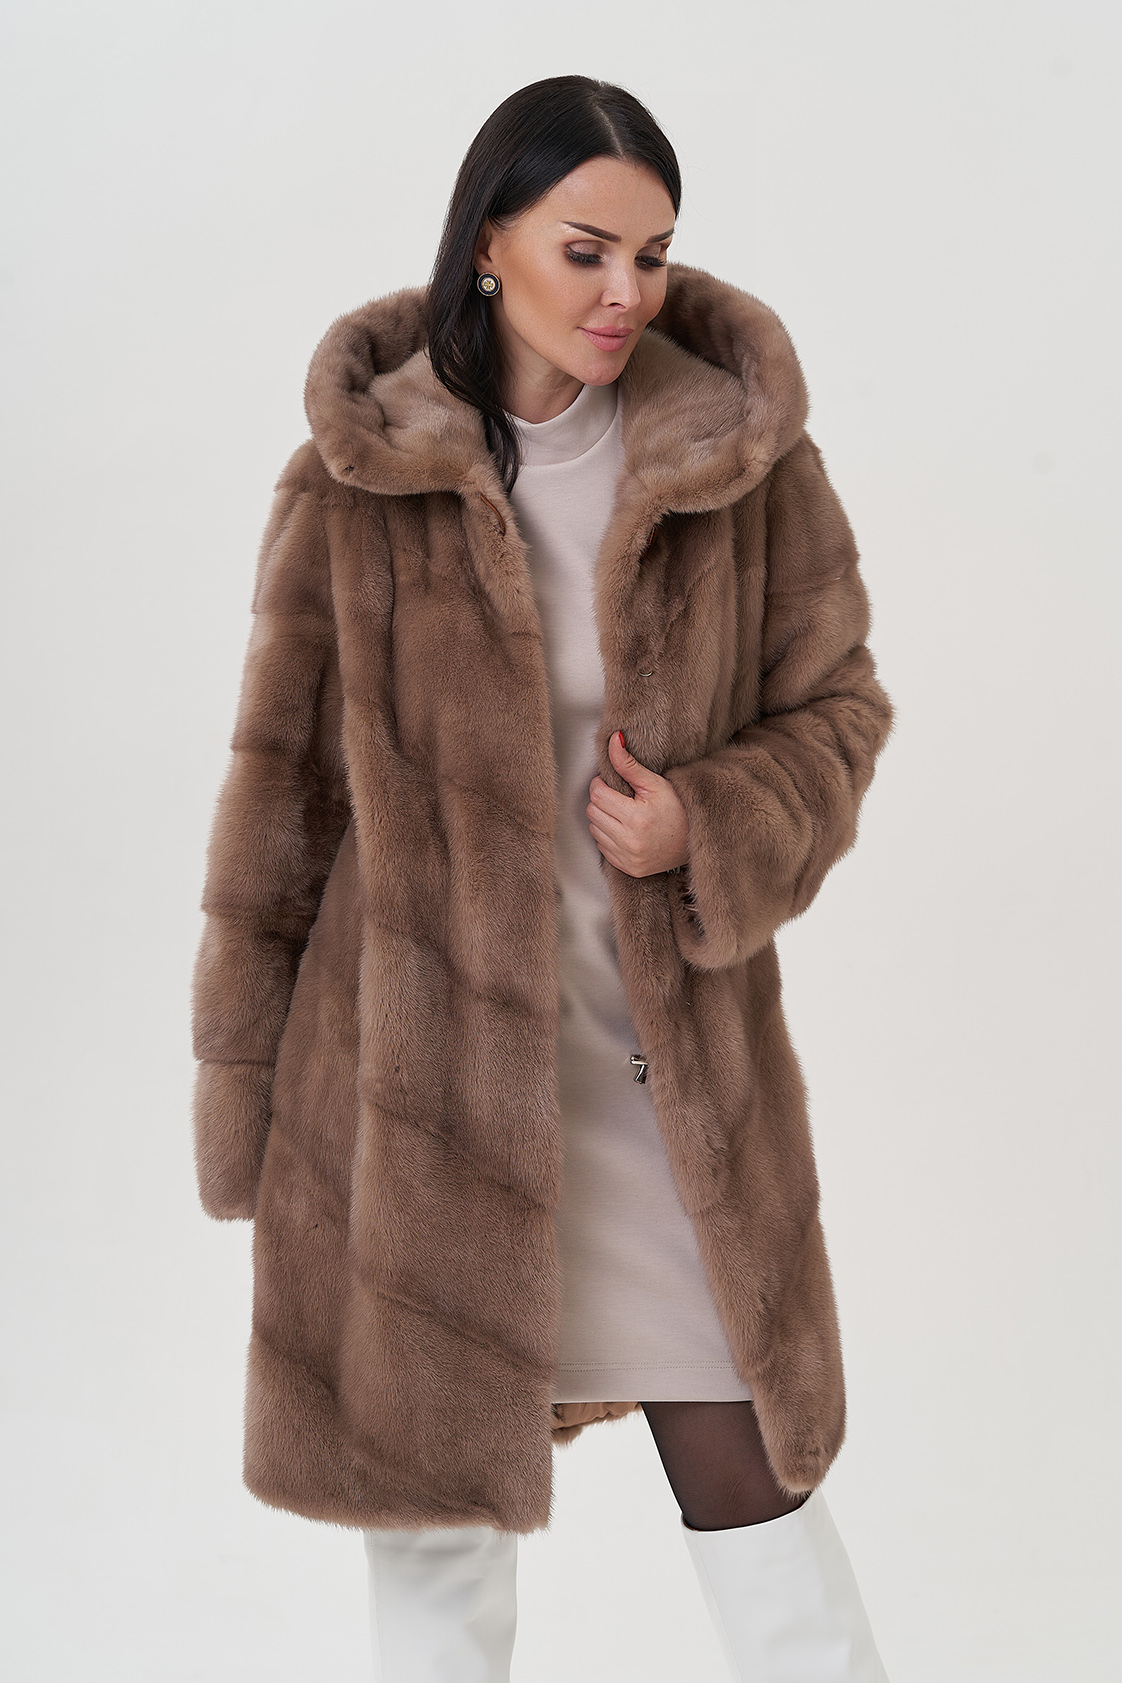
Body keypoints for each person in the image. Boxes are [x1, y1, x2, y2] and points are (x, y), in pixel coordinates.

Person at [191, 74, 896, 1682]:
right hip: (415, 1097)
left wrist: (706, 822)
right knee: (435, 1559)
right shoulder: (356, 480)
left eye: (651, 254)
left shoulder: (734, 461)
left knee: (758, 1505)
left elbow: (840, 709)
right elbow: (279, 812)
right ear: (488, 242)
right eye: (585, 251)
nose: (622, 292)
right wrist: (244, 1108)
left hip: (660, 1079)